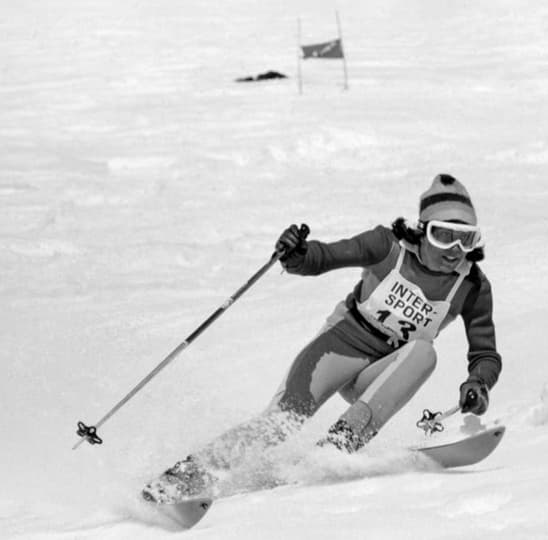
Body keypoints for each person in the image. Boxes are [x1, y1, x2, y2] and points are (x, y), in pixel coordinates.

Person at [142, 173, 502, 503]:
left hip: (383, 373)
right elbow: (325, 257)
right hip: (340, 346)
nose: (455, 249)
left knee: (424, 352)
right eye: (443, 234)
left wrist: (478, 383)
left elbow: (485, 353)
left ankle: (339, 443)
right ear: (422, 230)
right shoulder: (386, 246)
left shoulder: (471, 286)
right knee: (280, 421)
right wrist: (297, 254)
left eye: (466, 239)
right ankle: (185, 477)